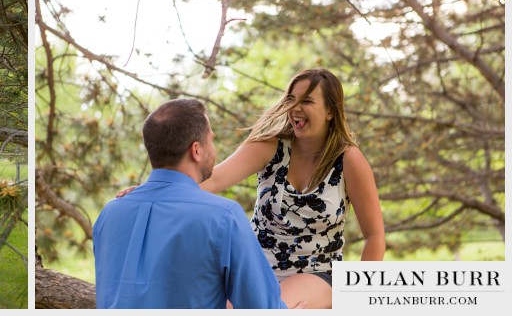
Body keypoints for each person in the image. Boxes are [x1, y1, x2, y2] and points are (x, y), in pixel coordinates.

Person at [117, 69, 386, 309]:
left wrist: (358, 301)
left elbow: (374, 236)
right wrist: (153, 190)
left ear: (330, 111)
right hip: (253, 271)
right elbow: (212, 180)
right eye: (291, 99)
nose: (295, 108)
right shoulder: (270, 147)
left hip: (317, 274)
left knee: (275, 307)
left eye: (307, 101)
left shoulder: (349, 160)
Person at [94, 98, 300, 309]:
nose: (214, 147)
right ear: (196, 150)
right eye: (210, 140)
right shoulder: (223, 217)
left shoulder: (110, 212)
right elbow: (262, 307)